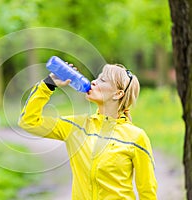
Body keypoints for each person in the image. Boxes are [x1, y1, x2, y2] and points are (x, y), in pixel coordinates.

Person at [18, 63, 157, 199]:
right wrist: (48, 85)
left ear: (118, 94)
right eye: (97, 78)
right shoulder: (75, 127)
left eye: (102, 80)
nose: (94, 82)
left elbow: (147, 191)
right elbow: (28, 122)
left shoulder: (136, 137)